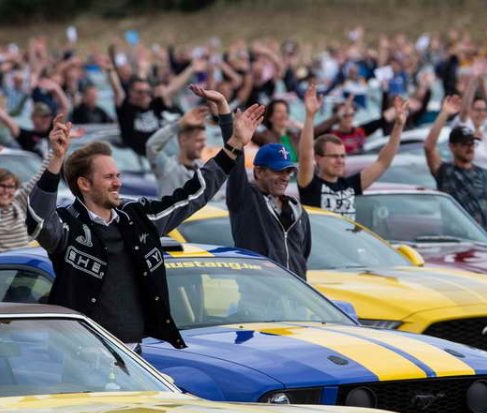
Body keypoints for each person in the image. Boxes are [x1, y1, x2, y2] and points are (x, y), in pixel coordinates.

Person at [26, 104, 265, 347]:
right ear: (85, 184)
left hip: (135, 354)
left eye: (118, 175)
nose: (117, 183)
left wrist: (234, 144)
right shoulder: (68, 224)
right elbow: (38, 221)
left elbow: (193, 195)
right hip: (81, 353)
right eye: (109, 177)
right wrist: (56, 160)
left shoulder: (138, 217)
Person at [297, 83, 406, 220]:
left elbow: (383, 162)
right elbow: (305, 155)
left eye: (342, 156)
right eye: (334, 156)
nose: (340, 160)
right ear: (318, 159)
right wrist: (310, 116)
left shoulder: (350, 185)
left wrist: (398, 126)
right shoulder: (310, 185)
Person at [225, 141, 311, 279]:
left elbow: (303, 255)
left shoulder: (298, 211)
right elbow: (235, 167)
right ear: (258, 172)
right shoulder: (245, 200)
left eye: (288, 171)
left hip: (296, 296)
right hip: (259, 295)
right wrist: (235, 135)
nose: (285, 177)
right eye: (278, 171)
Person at [425, 95, 487, 240]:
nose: (470, 148)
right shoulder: (445, 172)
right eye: (464, 144)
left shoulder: (486, 176)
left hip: (480, 242)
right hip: (452, 241)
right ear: (452, 147)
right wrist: (445, 114)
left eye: (472, 143)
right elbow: (429, 147)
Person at [145, 86, 234, 197]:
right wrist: (180, 124)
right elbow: (152, 146)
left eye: (203, 140)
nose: (203, 145)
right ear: (183, 140)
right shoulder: (166, 167)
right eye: (198, 140)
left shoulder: (204, 170)